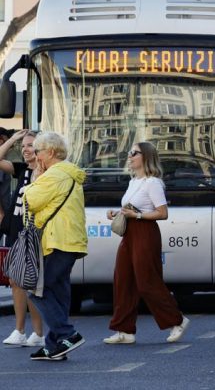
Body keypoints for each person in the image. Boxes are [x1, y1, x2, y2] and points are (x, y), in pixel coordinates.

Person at [104, 142, 189, 345]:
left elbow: (163, 212)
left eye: (134, 153)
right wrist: (117, 212)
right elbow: (131, 207)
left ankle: (177, 321)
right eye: (129, 152)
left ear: (146, 156)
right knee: (122, 279)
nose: (130, 156)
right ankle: (124, 330)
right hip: (130, 232)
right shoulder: (134, 181)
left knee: (146, 281)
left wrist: (138, 215)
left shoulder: (153, 183)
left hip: (145, 232)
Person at [23, 132, 87, 361]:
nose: (35, 156)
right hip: (67, 240)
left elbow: (30, 200)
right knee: (58, 292)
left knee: (37, 290)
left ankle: (68, 334)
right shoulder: (67, 172)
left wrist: (36, 178)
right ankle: (55, 345)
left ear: (49, 152)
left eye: (38, 151)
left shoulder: (55, 174)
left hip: (58, 240)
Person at [0, 130, 44, 347]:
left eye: (30, 145)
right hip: (16, 230)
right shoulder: (21, 169)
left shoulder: (46, 172)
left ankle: (38, 332)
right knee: (14, 280)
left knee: (30, 282)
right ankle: (19, 330)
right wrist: (12, 140)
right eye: (23, 146)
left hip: (33, 232)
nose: (25, 149)